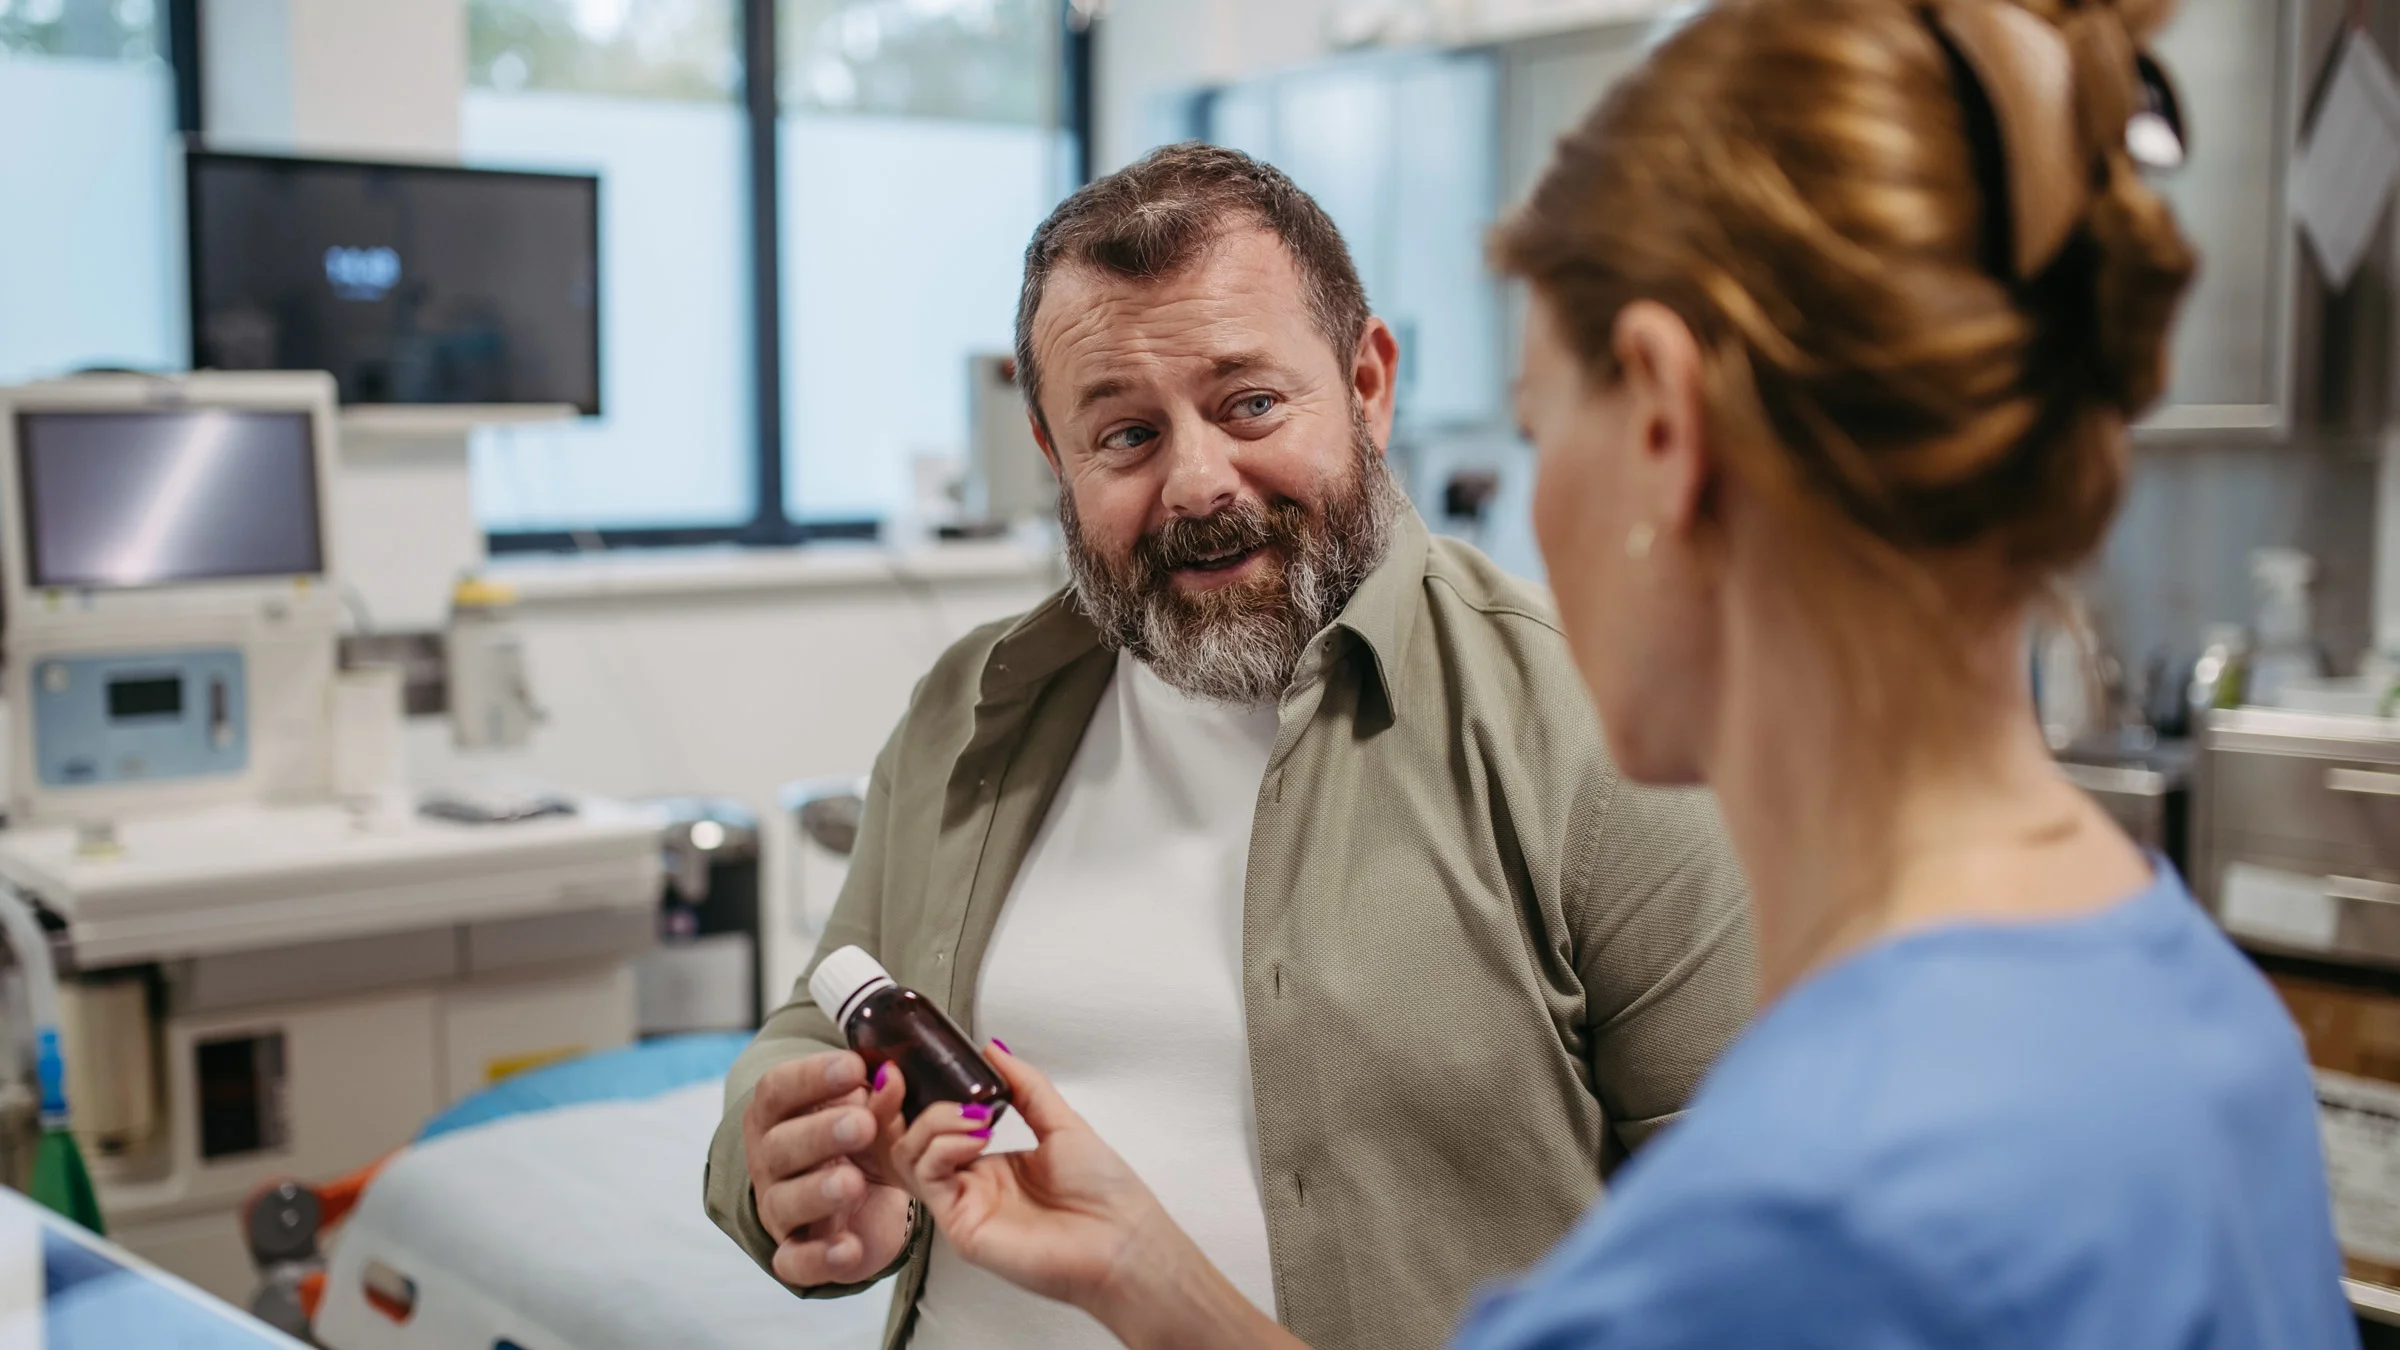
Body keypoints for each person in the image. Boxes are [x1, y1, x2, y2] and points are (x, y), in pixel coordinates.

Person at [872, 0, 2360, 1345]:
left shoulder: (1779, 1235)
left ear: (1661, 426)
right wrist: (1158, 1277)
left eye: (1535, 422)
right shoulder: (2192, 1011)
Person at [702, 145, 1757, 1350]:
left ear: (1367, 382)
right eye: (1127, 436)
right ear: (1054, 456)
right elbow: (826, 1010)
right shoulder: (971, 706)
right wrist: (783, 1158)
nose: (1200, 483)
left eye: (1251, 404)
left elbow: (1758, 1274)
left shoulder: (1605, 726)